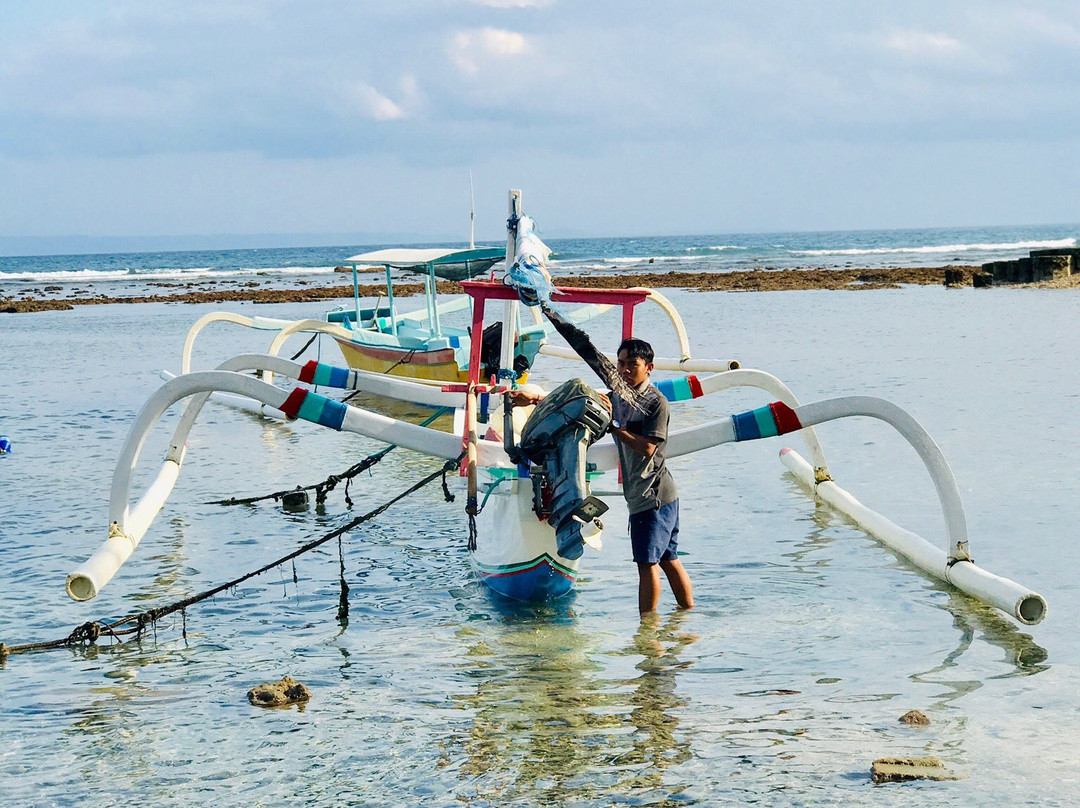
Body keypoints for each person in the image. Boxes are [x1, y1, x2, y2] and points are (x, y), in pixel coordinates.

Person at [510, 337, 693, 616]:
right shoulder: (618, 397)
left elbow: (647, 447)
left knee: (648, 564)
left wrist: (615, 427)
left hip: (653, 495)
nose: (625, 370)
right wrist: (534, 399)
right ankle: (687, 616)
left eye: (633, 364)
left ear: (649, 368)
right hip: (652, 496)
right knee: (668, 559)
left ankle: (647, 630)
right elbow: (578, 404)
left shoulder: (656, 402)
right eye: (621, 363)